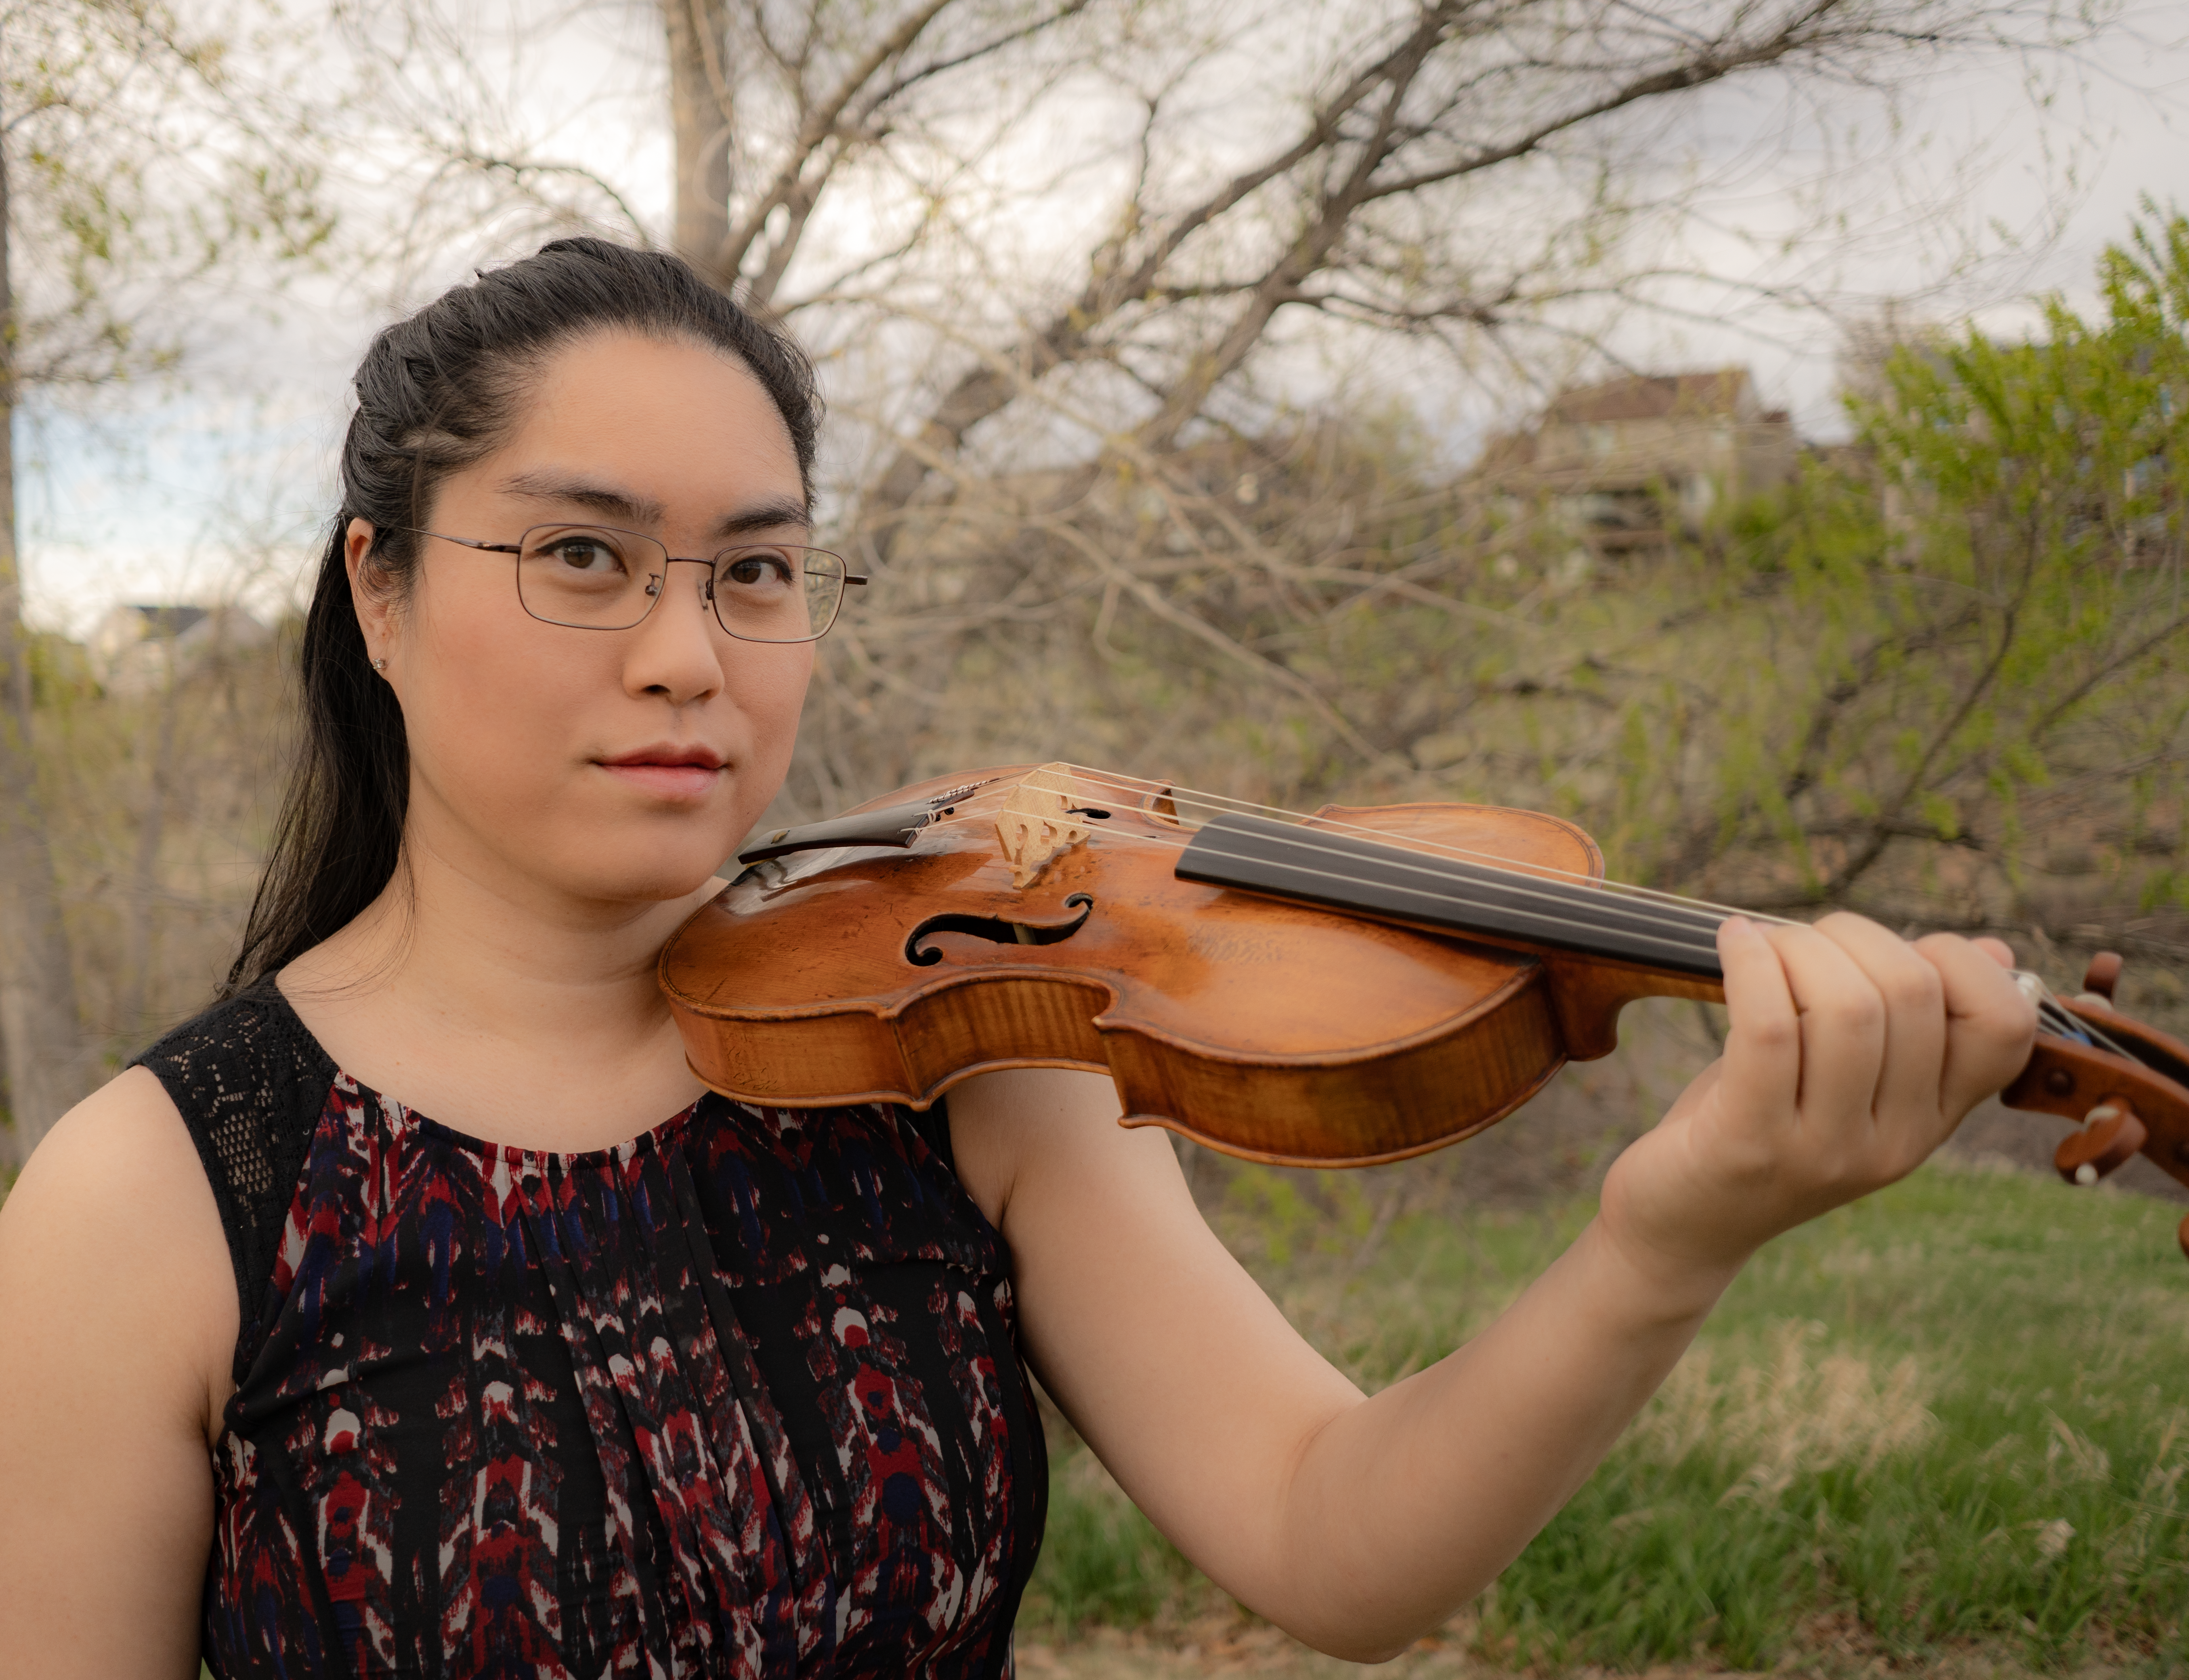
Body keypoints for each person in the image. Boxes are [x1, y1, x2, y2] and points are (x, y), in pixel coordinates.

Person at [0, 238, 2038, 1680]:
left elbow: (1332, 1537)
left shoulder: (955, 1049)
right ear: (379, 585)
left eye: (758, 570)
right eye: (583, 554)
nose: (688, 652)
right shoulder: (160, 1193)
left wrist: (1661, 1237)